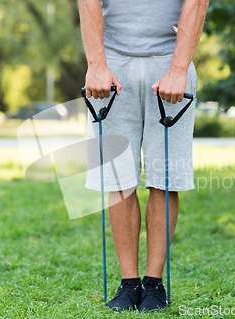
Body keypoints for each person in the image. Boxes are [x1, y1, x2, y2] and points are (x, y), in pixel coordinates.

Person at [78, 0, 209, 312]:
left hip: (170, 63)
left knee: (165, 178)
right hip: (110, 67)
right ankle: (129, 283)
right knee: (117, 177)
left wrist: (178, 69)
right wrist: (96, 64)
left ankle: (153, 283)